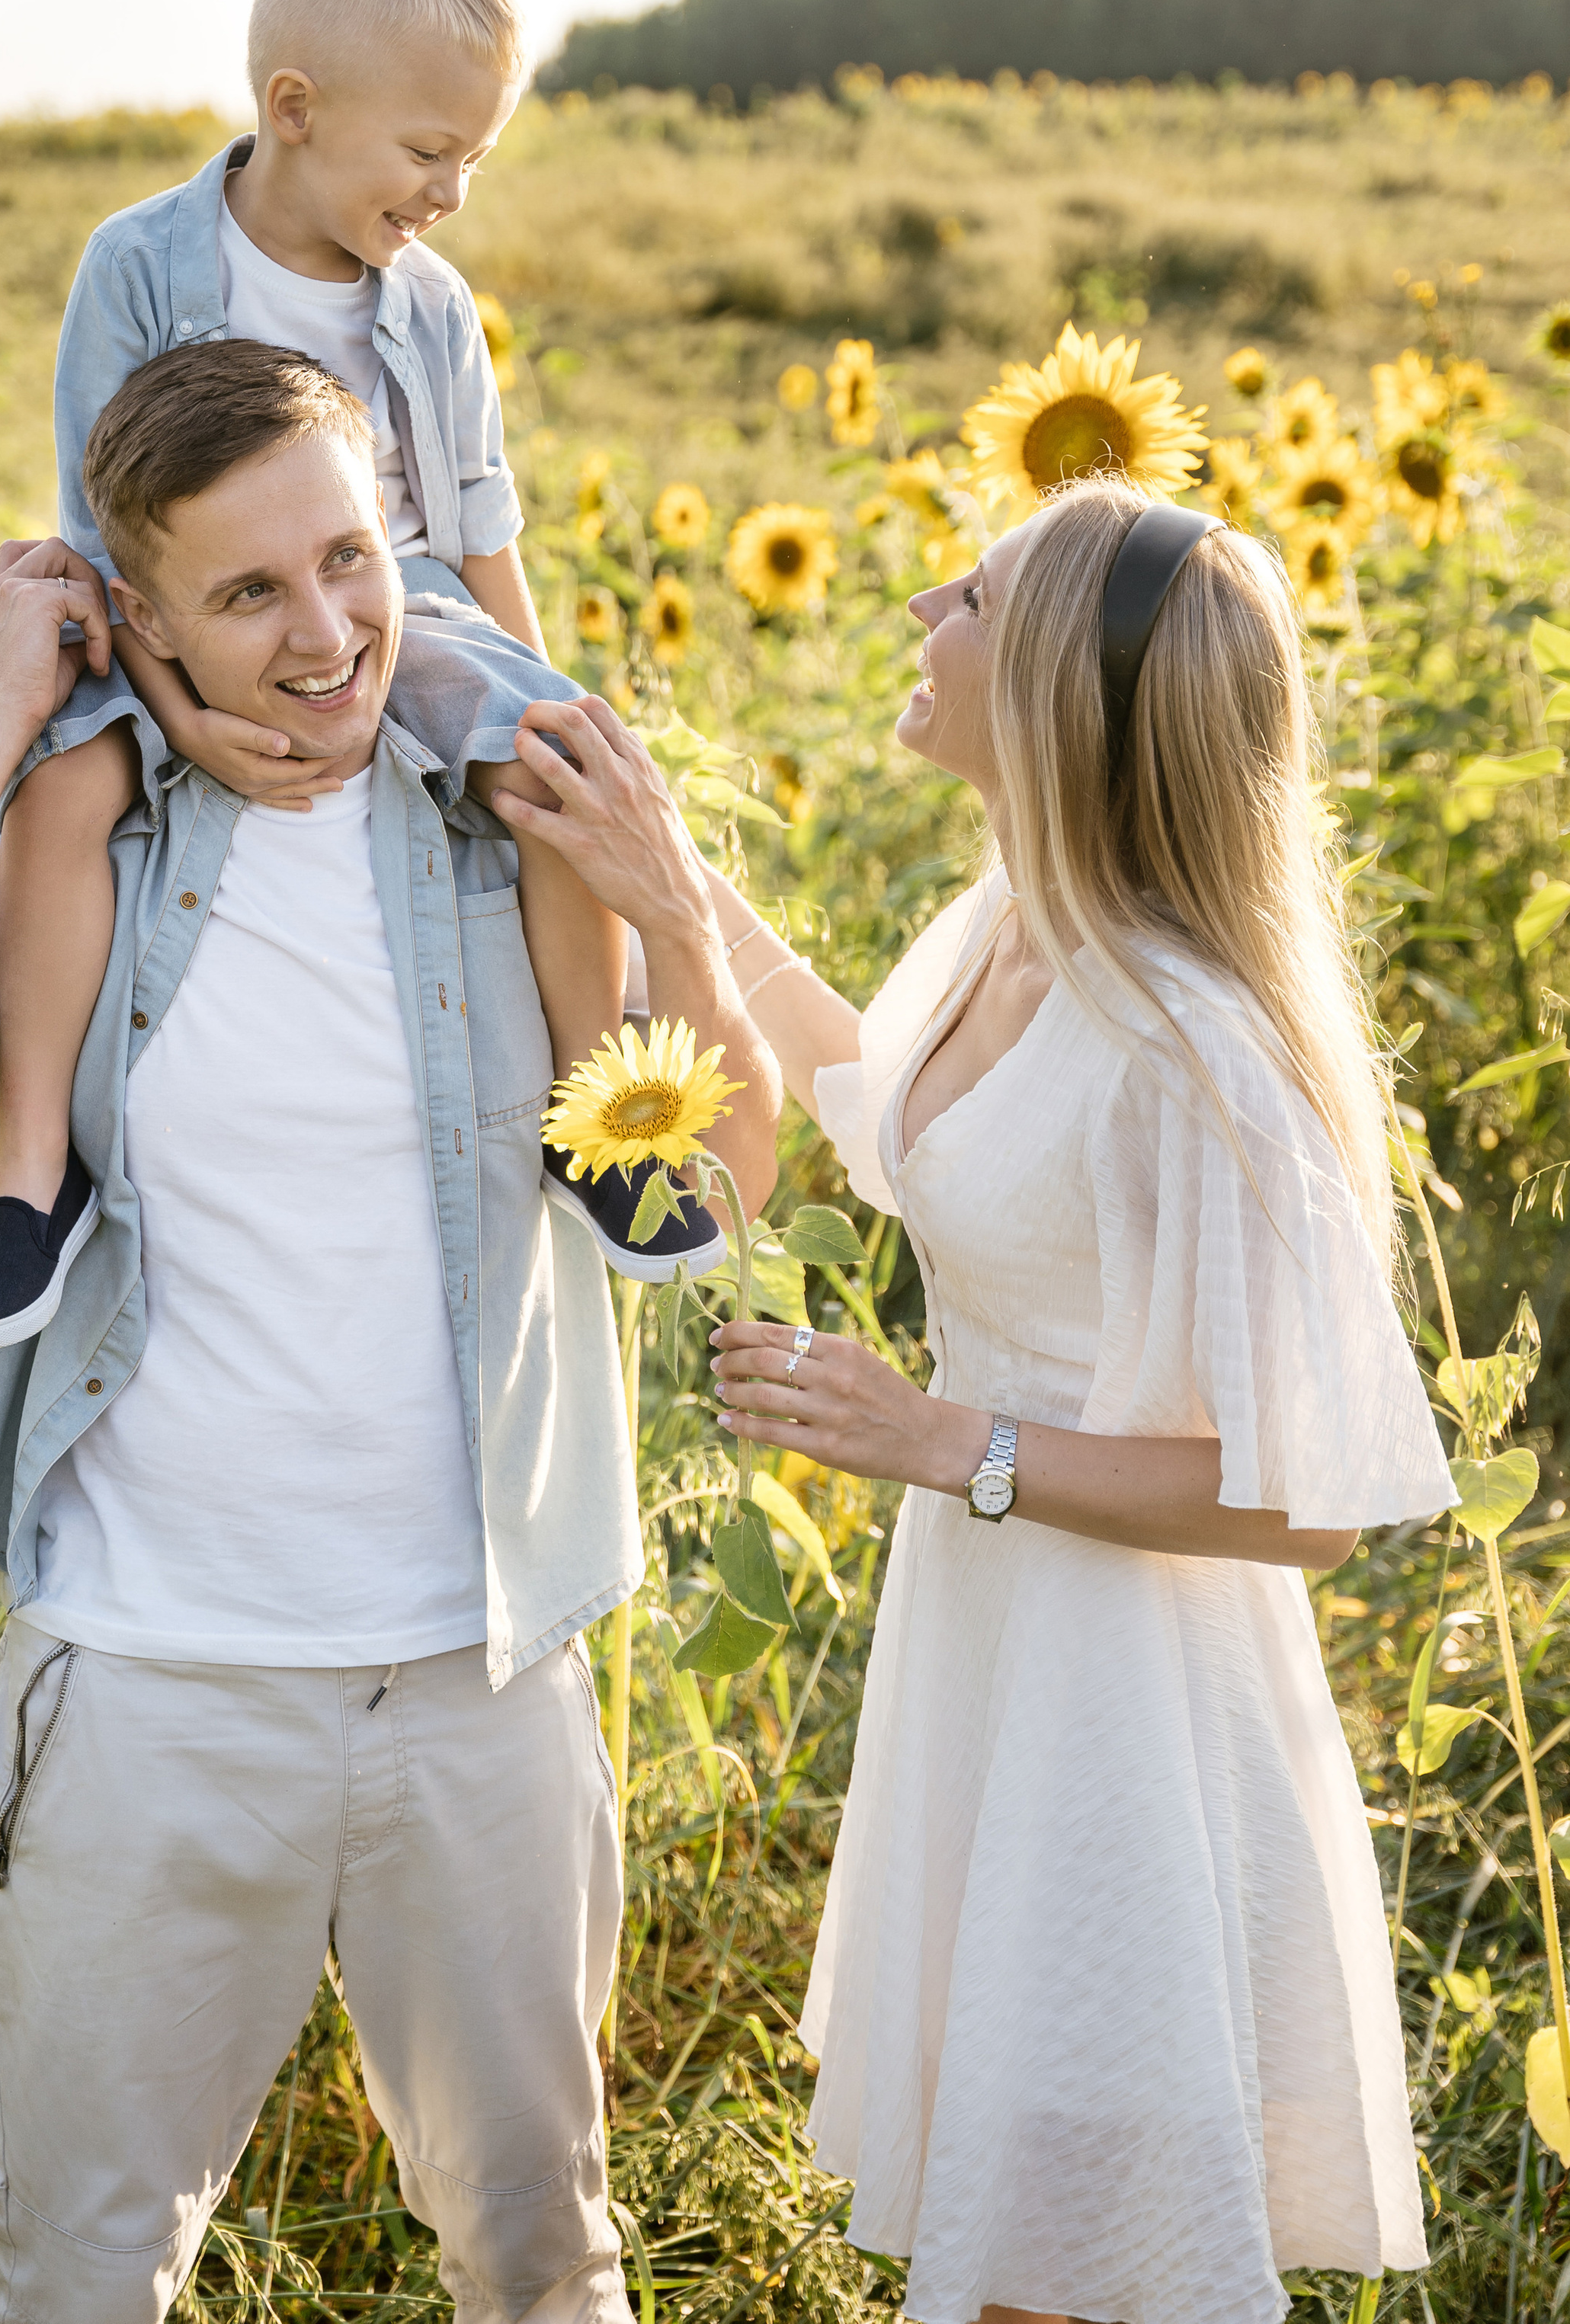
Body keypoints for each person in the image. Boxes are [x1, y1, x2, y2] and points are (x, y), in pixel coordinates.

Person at [0, 344, 780, 2324]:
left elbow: (708, 1189)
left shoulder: (506, 806)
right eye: (245, 595)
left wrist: (684, 913)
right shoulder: (82, 824)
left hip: (476, 1682)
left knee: (544, 2260)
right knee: (74, 2273)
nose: (326, 634)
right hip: (148, 1682)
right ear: (137, 619)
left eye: (348, 558)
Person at [681, 478, 1455, 2324]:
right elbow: (882, 1113)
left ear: (1043, 686)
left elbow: (1313, 1505)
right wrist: (659, 867)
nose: (921, 610)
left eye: (968, 592)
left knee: (1066, 2254)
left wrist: (946, 1443)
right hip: (992, 1658)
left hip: (1122, 1712)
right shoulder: (1004, 934)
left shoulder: (1191, 1047)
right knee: (1023, 2243)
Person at [0, 0, 719, 1353]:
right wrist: (180, 715)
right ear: (293, 110)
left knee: (555, 767)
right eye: (431, 155)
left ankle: (592, 1103)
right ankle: (36, 1173)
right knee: (60, 786)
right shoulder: (143, 264)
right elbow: (99, 520)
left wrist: (540, 699)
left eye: (473, 161)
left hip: (399, 609)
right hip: (171, 618)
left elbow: (481, 536)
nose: (453, 195)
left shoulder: (433, 310)